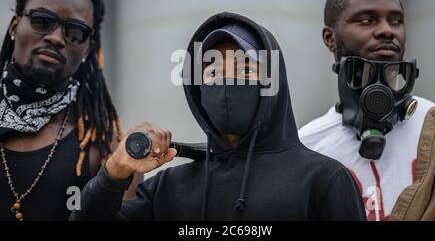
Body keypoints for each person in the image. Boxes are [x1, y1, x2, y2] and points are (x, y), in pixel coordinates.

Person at [70, 11, 366, 221]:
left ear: (273, 82)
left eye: (246, 70)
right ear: (196, 89)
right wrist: (115, 171)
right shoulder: (169, 188)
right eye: (213, 73)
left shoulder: (323, 180)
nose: (228, 84)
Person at [0, 0, 139, 221]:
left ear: (87, 48)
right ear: (15, 26)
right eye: (43, 20)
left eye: (74, 31)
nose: (55, 37)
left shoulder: (107, 148)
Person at [298, 0, 435, 220]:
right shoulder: (306, 146)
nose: (387, 30)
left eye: (397, 21)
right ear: (330, 38)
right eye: (366, 20)